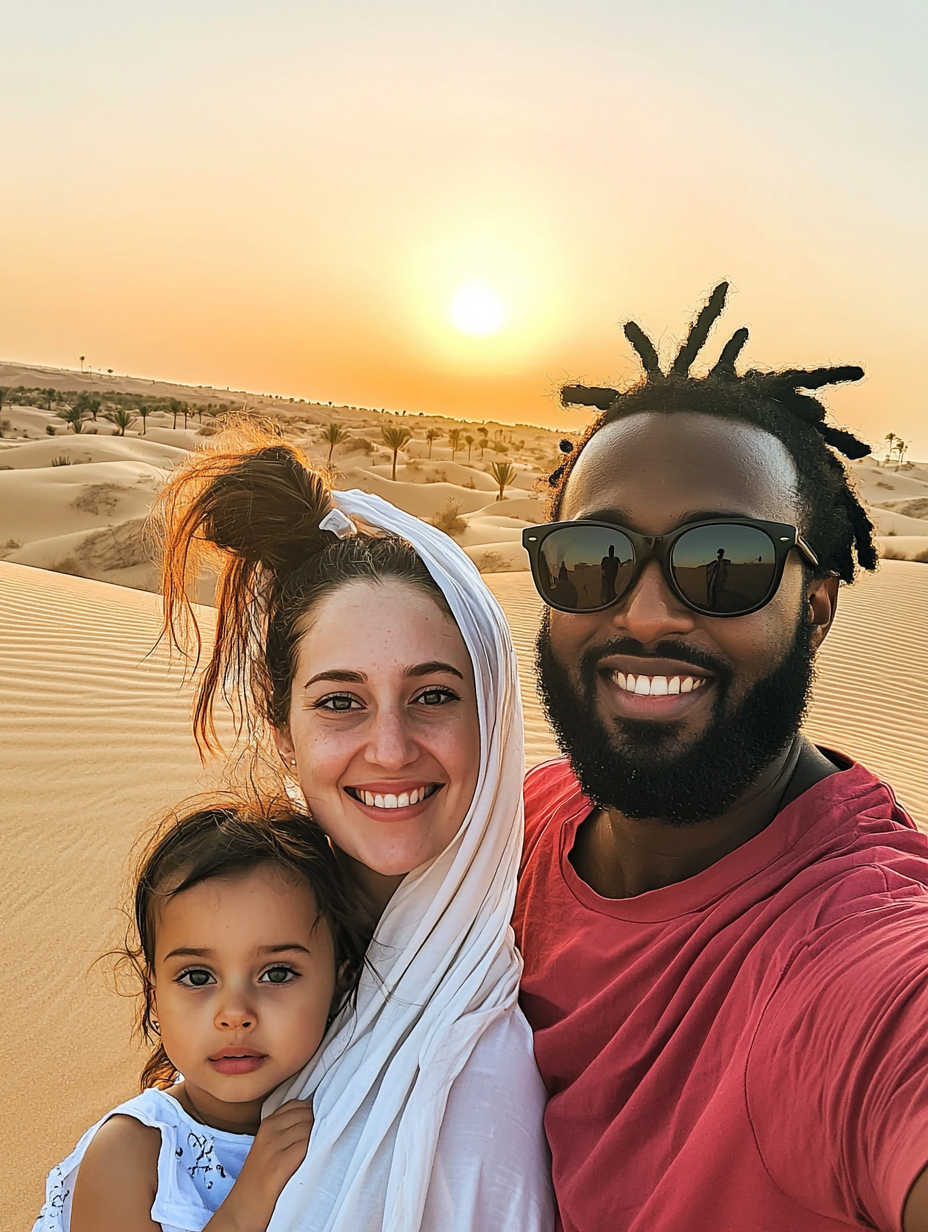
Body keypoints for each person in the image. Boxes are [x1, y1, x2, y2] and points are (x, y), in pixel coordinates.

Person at [515, 283, 928, 1232]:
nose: (648, 612)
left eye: (725, 563)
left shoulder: (848, 958)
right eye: (594, 556)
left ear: (815, 609)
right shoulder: (514, 826)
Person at [155, 430, 554, 1232]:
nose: (391, 749)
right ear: (282, 730)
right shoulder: (264, 948)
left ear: (495, 720)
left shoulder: (475, 1065)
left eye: (435, 695)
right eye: (341, 701)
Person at [34, 800, 370, 1232]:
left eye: (277, 973)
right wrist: (245, 1208)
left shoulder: (350, 1111)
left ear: (339, 980)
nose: (234, 1015)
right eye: (196, 976)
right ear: (154, 995)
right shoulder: (131, 1153)